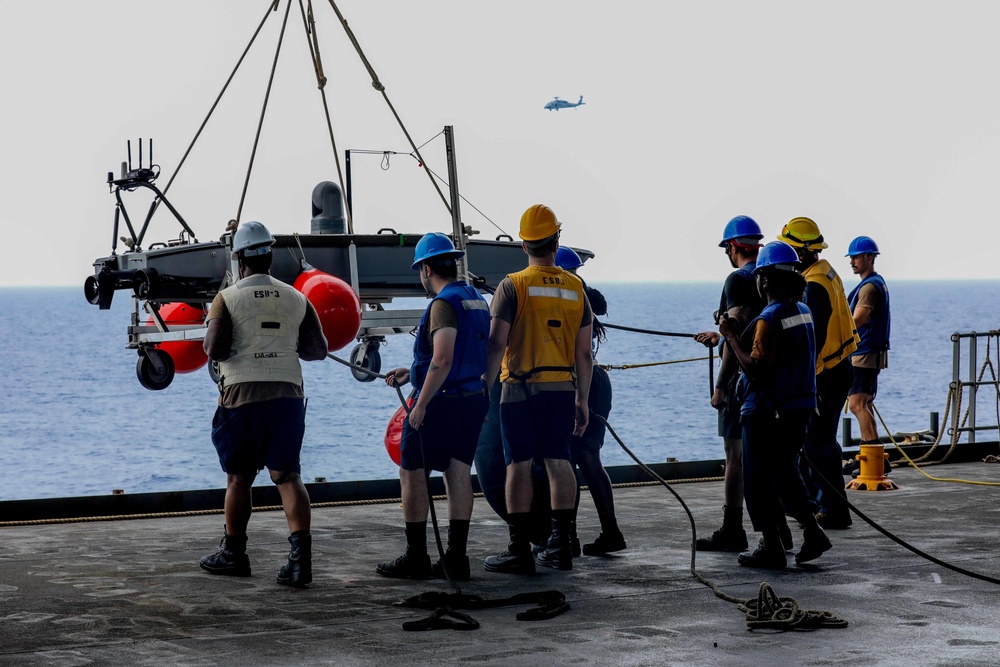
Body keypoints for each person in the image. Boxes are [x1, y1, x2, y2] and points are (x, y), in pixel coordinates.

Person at [200, 221, 329, 587]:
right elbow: (318, 350)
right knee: (288, 476)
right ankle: (300, 563)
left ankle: (234, 554)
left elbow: (213, 348)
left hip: (242, 397)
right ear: (270, 256)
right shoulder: (297, 298)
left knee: (239, 478)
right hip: (288, 396)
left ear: (240, 259)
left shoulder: (227, 297)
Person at [482, 204, 593, 573]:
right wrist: (583, 399)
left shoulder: (512, 285)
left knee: (519, 465)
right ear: (556, 240)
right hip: (562, 387)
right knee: (560, 461)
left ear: (523, 246)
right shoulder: (577, 287)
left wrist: (484, 383)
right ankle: (561, 546)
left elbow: (496, 342)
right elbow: (584, 355)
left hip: (518, 389)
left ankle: (519, 549)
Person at [377, 233, 490, 580]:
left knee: (412, 473)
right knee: (458, 472)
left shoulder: (443, 304)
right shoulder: (477, 300)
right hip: (472, 399)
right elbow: (466, 356)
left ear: (426, 269)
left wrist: (421, 403)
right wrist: (412, 373)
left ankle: (416, 557)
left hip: (440, 403)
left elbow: (442, 359)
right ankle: (456, 558)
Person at [719, 241, 831, 569]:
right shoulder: (803, 311)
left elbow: (756, 368)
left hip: (768, 409)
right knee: (785, 473)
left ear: (764, 281)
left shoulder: (768, 319)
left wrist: (729, 336)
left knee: (756, 478)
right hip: (801, 406)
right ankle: (812, 531)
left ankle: (771, 546)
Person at [778, 218, 858, 530]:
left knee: (819, 442)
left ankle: (833, 509)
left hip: (824, 373)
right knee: (815, 440)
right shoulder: (825, 271)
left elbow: (814, 335)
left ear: (800, 253)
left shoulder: (813, 285)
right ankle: (812, 502)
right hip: (838, 368)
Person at [693, 215, 765, 552]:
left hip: (740, 382)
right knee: (765, 455)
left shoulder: (737, 279)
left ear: (733, 248)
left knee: (734, 456)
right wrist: (718, 336)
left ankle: (733, 528)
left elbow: (735, 330)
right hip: (769, 379)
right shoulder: (771, 276)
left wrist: (719, 388)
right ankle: (777, 529)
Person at [554, 246, 626, 555]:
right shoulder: (585, 296)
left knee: (567, 461)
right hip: (596, 381)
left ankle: (567, 538)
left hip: (573, 384)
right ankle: (610, 532)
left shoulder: (560, 299)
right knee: (589, 458)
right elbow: (602, 304)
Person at [846, 236, 891, 446]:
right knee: (865, 403)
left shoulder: (868, 288)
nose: (852, 262)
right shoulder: (876, 283)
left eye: (856, 257)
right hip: (871, 352)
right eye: (851, 258)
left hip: (864, 353)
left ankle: (873, 457)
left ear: (869, 258)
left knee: (856, 404)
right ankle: (873, 456)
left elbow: (859, 319)